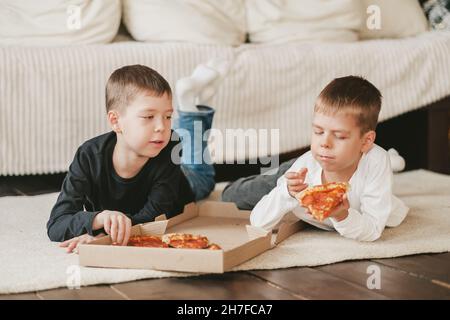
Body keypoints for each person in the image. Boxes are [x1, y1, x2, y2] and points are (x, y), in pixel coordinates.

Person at [47, 60, 229, 253]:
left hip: (184, 182)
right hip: (165, 171)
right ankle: (194, 100)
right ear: (116, 121)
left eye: (168, 117)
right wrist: (100, 218)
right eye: (148, 117)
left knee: (202, 178)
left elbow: (153, 218)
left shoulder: (169, 146)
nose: (161, 126)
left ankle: (194, 105)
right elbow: (57, 223)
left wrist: (104, 236)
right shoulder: (89, 156)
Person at [223, 76, 409, 242]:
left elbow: (372, 230)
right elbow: (258, 223)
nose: (324, 143)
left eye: (339, 136)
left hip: (341, 164)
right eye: (318, 132)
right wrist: (286, 192)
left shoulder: (376, 162)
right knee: (231, 196)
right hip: (306, 166)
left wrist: (342, 215)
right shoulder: (303, 171)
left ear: (366, 141)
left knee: (389, 202)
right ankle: (280, 173)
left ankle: (391, 162)